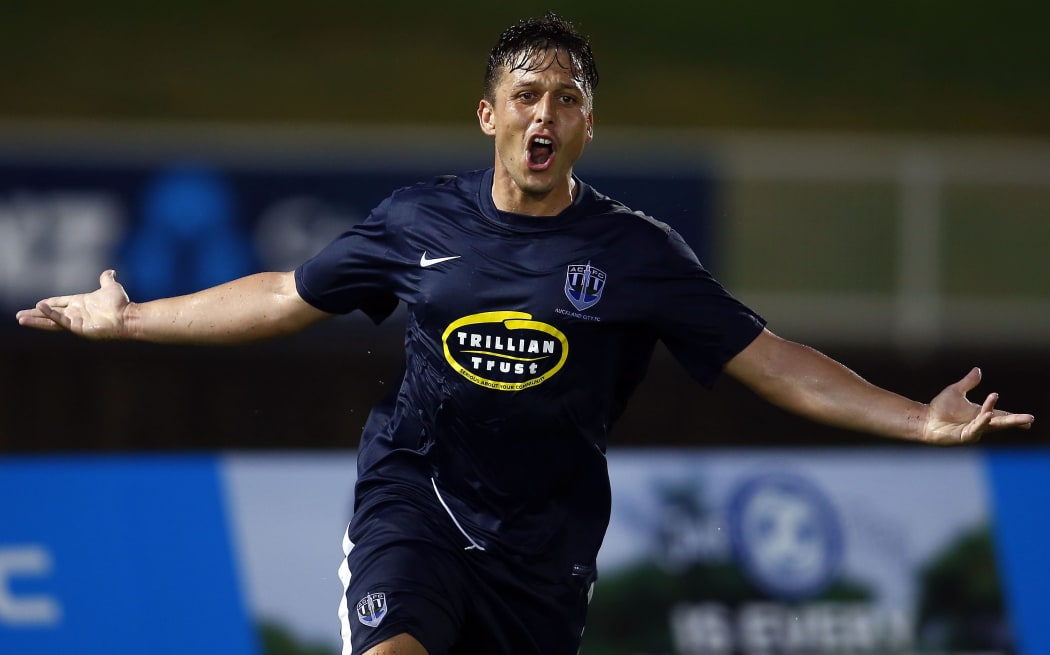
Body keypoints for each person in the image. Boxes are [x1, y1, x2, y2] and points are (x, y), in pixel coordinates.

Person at [15, 12, 1034, 655]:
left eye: (568, 99)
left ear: (588, 127)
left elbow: (771, 360)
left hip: (545, 548)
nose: (546, 112)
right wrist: (130, 319)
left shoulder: (638, 254)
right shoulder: (419, 223)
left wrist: (917, 420)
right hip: (415, 496)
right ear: (490, 114)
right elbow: (286, 292)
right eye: (528, 95)